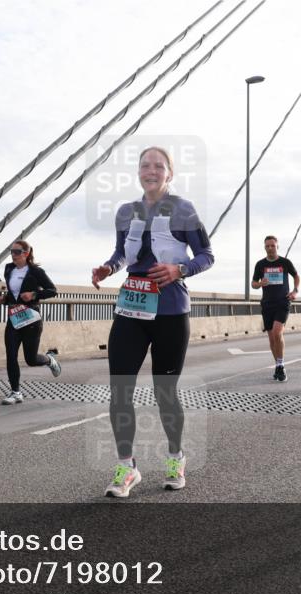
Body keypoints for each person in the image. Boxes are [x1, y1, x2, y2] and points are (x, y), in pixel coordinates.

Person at [91, 146, 214, 498]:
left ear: (169, 174)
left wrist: (180, 269)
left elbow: (207, 255)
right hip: (132, 307)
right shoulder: (125, 212)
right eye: (145, 164)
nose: (151, 170)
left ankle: (176, 457)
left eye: (158, 165)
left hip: (171, 310)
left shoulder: (183, 209)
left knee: (165, 392)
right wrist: (108, 267)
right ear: (138, 171)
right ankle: (126, 467)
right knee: (120, 390)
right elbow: (121, 254)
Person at [0, 240, 62, 404]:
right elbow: (14, 294)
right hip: (14, 318)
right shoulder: (8, 269)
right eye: (12, 251)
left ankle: (49, 360)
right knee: (11, 355)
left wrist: (33, 295)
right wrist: (4, 299)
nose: (13, 255)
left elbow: (52, 290)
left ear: (26, 253)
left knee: (30, 359)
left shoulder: (36, 271)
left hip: (31, 319)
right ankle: (15, 392)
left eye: (17, 252)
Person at [251, 236, 299, 380]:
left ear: (277, 246)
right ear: (264, 247)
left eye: (273, 246)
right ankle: (279, 366)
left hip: (282, 302)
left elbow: (296, 276)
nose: (270, 248)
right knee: (272, 340)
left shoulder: (285, 262)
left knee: (278, 333)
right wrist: (260, 284)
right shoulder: (260, 264)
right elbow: (253, 283)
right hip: (267, 304)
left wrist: (295, 291)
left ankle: (281, 365)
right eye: (267, 246)